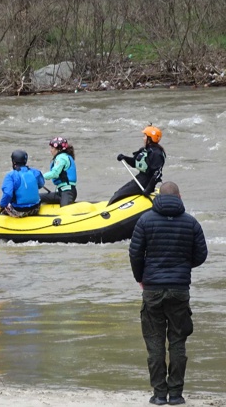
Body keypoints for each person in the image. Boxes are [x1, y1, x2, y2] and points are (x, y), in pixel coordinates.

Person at [128, 181, 208, 406]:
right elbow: (201, 254)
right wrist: (183, 266)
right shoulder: (191, 223)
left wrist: (140, 278)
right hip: (180, 289)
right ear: (179, 197)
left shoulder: (145, 220)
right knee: (178, 342)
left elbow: (135, 253)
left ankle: (159, 394)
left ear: (158, 197)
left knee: (154, 343)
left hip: (152, 289)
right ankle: (176, 395)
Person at [109, 125, 166, 205]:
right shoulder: (144, 150)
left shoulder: (156, 154)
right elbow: (134, 163)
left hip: (146, 183)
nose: (143, 138)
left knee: (118, 196)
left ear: (150, 139)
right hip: (140, 178)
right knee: (117, 194)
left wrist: (148, 189)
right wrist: (124, 158)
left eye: (145, 136)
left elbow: (157, 174)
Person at [0, 150, 45, 218]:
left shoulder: (11, 175)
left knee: (4, 205)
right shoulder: (35, 172)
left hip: (19, 211)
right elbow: (41, 185)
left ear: (13, 162)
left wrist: (2, 205)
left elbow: (7, 194)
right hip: (36, 208)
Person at [40, 137, 77, 207]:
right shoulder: (62, 156)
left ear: (58, 149)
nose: (50, 150)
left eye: (52, 148)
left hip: (68, 192)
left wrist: (40, 176)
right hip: (60, 192)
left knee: (64, 210)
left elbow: (55, 173)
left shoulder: (62, 157)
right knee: (38, 198)